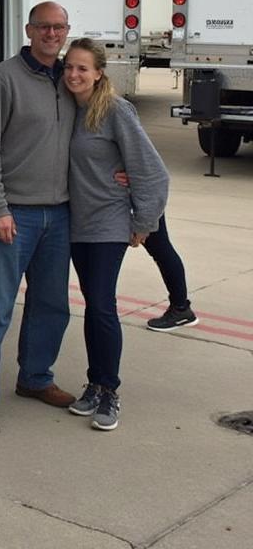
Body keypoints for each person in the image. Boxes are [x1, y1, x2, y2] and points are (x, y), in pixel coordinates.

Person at [0, 1, 77, 436]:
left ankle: (35, 378)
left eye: (58, 27)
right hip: (15, 215)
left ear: (67, 31)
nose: (51, 33)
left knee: (51, 305)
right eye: (43, 26)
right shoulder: (2, 80)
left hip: (60, 214)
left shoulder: (70, 79)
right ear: (28, 29)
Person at [62, 38, 169, 431]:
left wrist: (144, 222)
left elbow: (152, 171)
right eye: (69, 67)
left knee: (102, 304)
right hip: (76, 223)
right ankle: (94, 382)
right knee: (92, 304)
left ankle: (109, 390)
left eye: (83, 69)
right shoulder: (65, 109)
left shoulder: (116, 111)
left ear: (99, 72)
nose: (74, 75)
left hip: (108, 222)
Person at [143, 216, 199, 330]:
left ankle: (180, 308)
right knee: (161, 249)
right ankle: (180, 307)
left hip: (140, 205)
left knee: (161, 249)